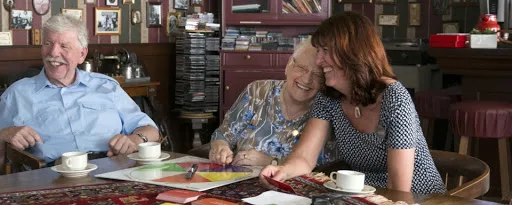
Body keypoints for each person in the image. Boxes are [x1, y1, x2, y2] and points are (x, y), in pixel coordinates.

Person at [259, 12, 446, 195]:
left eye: (325, 51)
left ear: (351, 53)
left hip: (420, 198)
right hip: (366, 195)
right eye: (319, 52)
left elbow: (399, 188)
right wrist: (283, 170)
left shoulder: (395, 98)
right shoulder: (328, 98)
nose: (318, 60)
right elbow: (304, 157)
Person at [0, 14, 159, 164]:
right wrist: (3, 136)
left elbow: (151, 130)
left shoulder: (106, 86)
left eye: (64, 46)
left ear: (82, 54)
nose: (54, 53)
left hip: (112, 169)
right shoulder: (17, 94)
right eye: (48, 44)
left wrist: (135, 140)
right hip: (51, 177)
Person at [209, 39, 337, 166]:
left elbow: (322, 167)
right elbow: (223, 134)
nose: (307, 79)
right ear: (288, 65)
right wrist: (221, 147)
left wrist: (272, 162)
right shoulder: (258, 91)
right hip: (239, 180)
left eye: (317, 75)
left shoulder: (325, 111)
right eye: (302, 68)